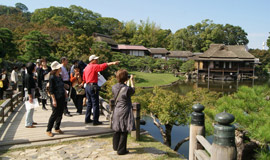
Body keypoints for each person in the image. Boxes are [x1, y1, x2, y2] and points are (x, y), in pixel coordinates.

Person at [83, 55, 119, 125]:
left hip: (87, 86)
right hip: (93, 86)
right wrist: (113, 63)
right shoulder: (94, 66)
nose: (97, 61)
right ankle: (95, 120)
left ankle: (87, 119)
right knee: (95, 104)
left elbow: (84, 78)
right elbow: (102, 66)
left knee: (89, 103)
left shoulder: (86, 67)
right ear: (92, 60)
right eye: (96, 59)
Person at [111, 69, 135, 155]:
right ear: (126, 78)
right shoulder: (127, 89)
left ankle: (115, 146)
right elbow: (132, 90)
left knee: (117, 128)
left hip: (117, 109)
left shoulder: (113, 87)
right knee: (124, 129)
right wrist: (132, 81)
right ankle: (121, 150)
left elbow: (123, 89)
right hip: (125, 110)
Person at [46, 61, 67, 137]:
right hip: (55, 97)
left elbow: (62, 86)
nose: (61, 68)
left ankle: (57, 127)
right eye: (59, 67)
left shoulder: (59, 76)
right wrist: (54, 100)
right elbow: (51, 90)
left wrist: (65, 93)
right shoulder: (52, 77)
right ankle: (48, 129)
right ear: (57, 69)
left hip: (61, 97)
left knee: (60, 113)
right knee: (54, 114)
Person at [25, 62, 37, 128]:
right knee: (29, 108)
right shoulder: (28, 76)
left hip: (32, 92)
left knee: (32, 107)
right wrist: (30, 96)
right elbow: (28, 87)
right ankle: (28, 123)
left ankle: (31, 121)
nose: (35, 68)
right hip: (30, 92)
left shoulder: (30, 75)